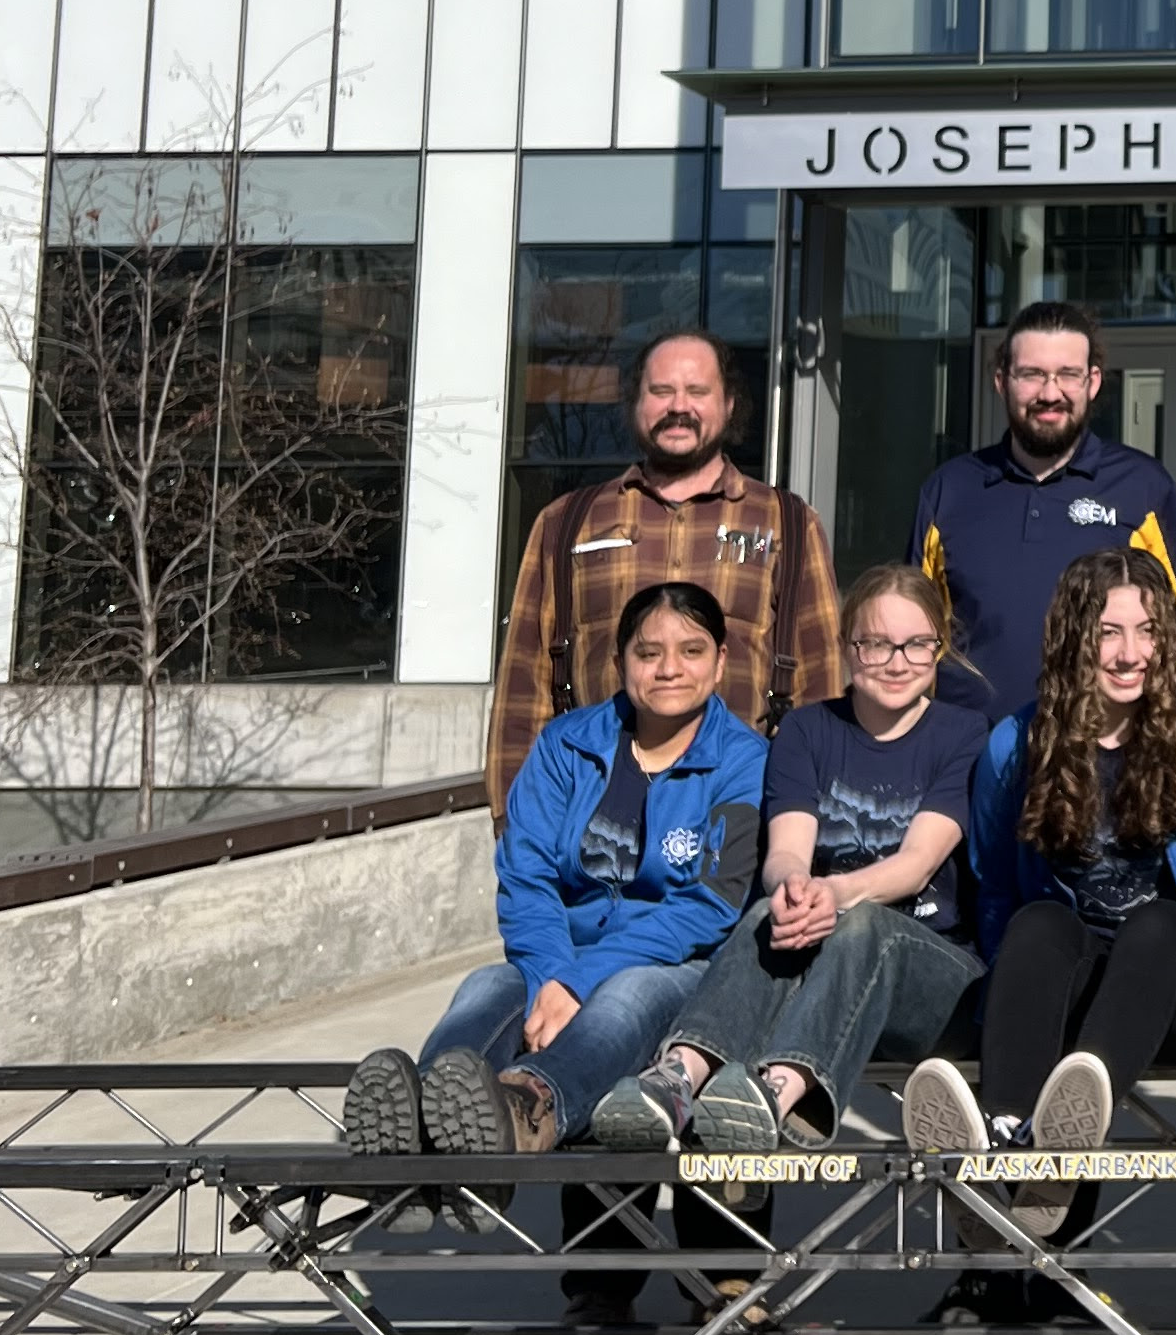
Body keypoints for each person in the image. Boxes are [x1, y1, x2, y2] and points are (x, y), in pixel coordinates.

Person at [347, 581, 765, 1158]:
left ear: (721, 662)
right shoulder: (566, 745)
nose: (669, 668)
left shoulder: (745, 761)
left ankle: (527, 1106)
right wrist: (551, 974)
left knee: (625, 997)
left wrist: (579, 981)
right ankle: (421, 1125)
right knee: (488, 986)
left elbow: (710, 904)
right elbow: (526, 876)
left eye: (691, 651)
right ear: (621, 663)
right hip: (562, 953)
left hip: (675, 966)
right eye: (648, 653)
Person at [908, 550, 1176, 1233]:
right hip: (1081, 975)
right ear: (1073, 638)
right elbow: (995, 888)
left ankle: (1035, 1159)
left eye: (1149, 631)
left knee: (1154, 924)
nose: (1131, 653)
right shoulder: (1018, 743)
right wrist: (1000, 1001)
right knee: (1037, 923)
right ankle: (1016, 1141)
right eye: (1108, 633)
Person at [585, 563, 987, 1158]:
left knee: (865, 923)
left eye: (917, 644)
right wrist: (796, 888)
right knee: (766, 915)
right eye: (877, 645)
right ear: (850, 647)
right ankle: (679, 1076)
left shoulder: (962, 732)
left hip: (931, 971)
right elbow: (787, 853)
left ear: (938, 647)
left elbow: (917, 865)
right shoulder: (807, 730)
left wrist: (834, 894)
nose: (898, 662)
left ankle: (776, 1093)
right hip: (821, 957)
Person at [484, 327, 840, 823]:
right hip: (589, 814)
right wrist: (515, 829)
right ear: (636, 403)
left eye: (698, 392)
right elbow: (523, 687)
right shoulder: (565, 523)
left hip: (742, 817)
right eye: (661, 391)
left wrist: (807, 835)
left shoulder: (789, 524)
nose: (679, 406)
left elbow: (821, 689)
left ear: (729, 404)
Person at [910, 298, 1176, 718]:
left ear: (1093, 381)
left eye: (1068, 374)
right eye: (1032, 375)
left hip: (1102, 755)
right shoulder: (949, 490)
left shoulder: (1143, 488)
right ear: (1002, 381)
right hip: (968, 758)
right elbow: (912, 634)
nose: (1050, 394)